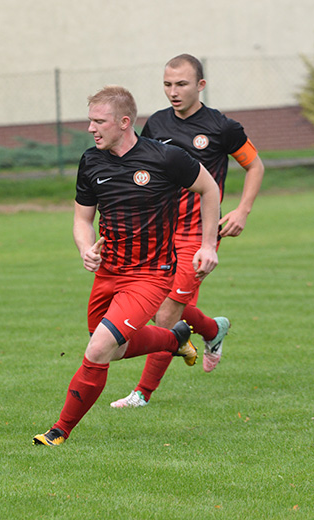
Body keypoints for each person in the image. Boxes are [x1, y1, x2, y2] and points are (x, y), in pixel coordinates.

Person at [33, 85, 221, 446]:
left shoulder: (166, 158)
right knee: (112, 348)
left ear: (123, 122)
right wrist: (85, 248)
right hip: (108, 273)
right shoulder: (91, 161)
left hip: (150, 275)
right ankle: (175, 337)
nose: (91, 128)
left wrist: (208, 244)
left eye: (98, 121)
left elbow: (209, 189)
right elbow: (82, 220)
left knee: (98, 349)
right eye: (90, 121)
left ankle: (59, 432)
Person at [110, 54, 265, 409]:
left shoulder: (222, 127)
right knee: (161, 309)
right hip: (160, 232)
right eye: (167, 84)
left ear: (201, 85)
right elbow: (142, 176)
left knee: (165, 315)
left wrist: (242, 209)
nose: (173, 92)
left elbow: (255, 166)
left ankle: (142, 394)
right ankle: (213, 330)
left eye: (181, 84)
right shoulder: (156, 124)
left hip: (199, 235)